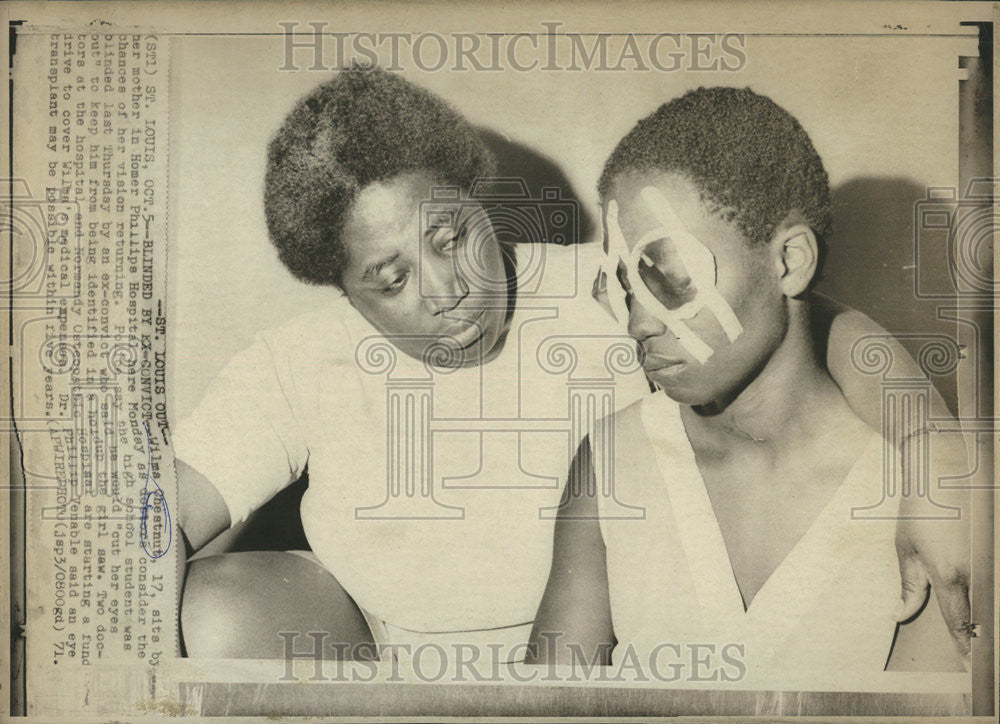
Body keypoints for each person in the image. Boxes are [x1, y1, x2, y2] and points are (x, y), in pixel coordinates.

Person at [175, 68, 971, 665]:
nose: (449, 289)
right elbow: (158, 514)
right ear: (345, 293)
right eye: (391, 280)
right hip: (384, 671)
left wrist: (935, 448)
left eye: (452, 237)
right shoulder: (297, 360)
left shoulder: (599, 285)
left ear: (477, 196)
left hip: (597, 660)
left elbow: (807, 321)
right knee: (213, 604)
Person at [527, 87, 969, 684]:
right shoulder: (611, 462)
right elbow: (538, 709)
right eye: (625, 284)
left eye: (674, 277)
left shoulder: (923, 494)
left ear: (789, 261)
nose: (638, 322)